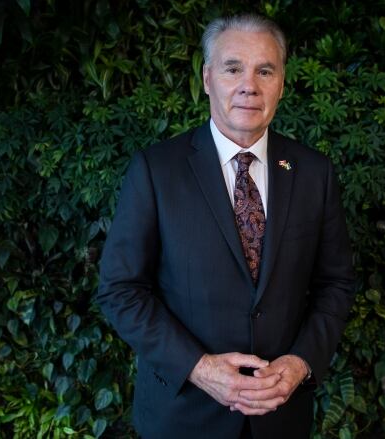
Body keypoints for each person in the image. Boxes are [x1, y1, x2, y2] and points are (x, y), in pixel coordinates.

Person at [97, 13, 355, 439]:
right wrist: (199, 369)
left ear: (282, 83)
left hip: (280, 417)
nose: (248, 85)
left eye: (265, 70)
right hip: (183, 417)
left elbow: (336, 284)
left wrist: (301, 362)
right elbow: (121, 289)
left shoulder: (314, 173)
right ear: (206, 78)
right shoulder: (156, 170)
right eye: (233, 67)